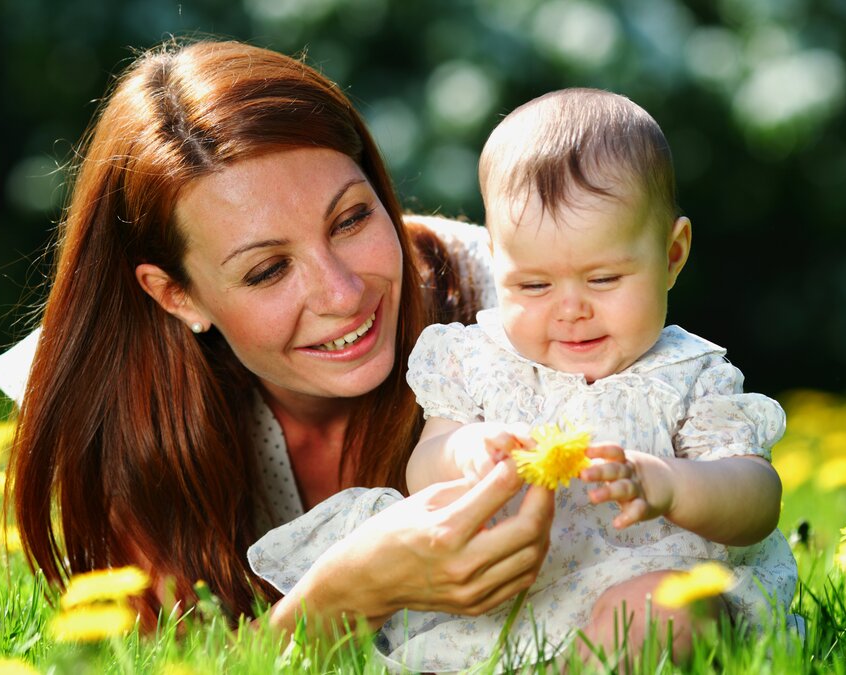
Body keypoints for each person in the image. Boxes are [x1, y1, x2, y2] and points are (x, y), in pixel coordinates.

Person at [0, 38, 557, 633]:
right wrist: (342, 599)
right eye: (267, 270)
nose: (342, 293)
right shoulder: (117, 395)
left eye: (352, 219)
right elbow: (177, 664)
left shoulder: (523, 309)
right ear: (175, 295)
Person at [250, 88, 798, 670]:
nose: (570, 309)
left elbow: (757, 498)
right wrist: (466, 451)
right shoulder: (477, 360)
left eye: (604, 279)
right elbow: (424, 467)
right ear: (497, 260)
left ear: (672, 254)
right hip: (512, 601)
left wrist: (669, 484)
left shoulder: (688, 373)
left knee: (667, 611)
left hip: (644, 583)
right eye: (534, 286)